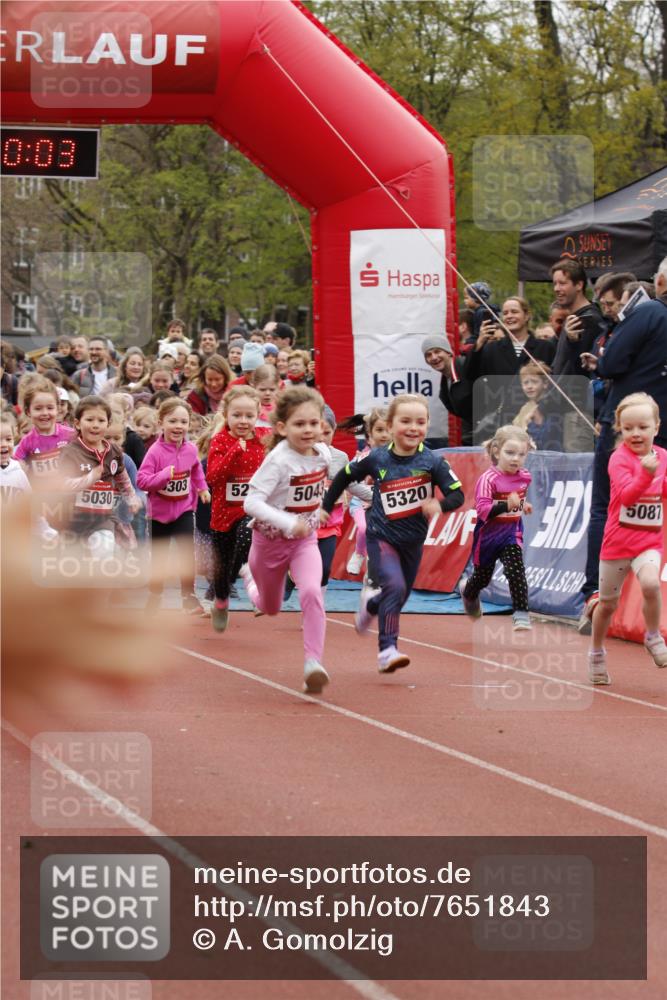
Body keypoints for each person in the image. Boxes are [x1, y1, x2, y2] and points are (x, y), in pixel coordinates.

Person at [322, 393, 464, 673]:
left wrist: (439, 504)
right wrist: (326, 506)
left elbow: (457, 495)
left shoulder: (433, 462)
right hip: (381, 536)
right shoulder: (377, 458)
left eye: (420, 422)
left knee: (398, 595)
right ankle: (387, 649)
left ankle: (370, 606)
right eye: (405, 421)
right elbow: (344, 476)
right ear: (390, 425)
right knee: (395, 587)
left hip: (413, 542)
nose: (413, 428)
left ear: (427, 425)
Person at [577, 258, 667, 633]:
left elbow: (612, 362)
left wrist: (600, 362)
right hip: (661, 427)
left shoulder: (649, 312)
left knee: (605, 505)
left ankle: (595, 594)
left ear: (659, 282)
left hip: (627, 425)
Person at [240, 386, 332, 694]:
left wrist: (319, 510)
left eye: (313, 423)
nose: (308, 430)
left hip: (304, 543)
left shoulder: (323, 454)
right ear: (282, 427)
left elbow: (314, 489)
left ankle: (313, 664)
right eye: (299, 424)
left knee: (312, 592)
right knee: (270, 607)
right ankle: (249, 578)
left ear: (322, 425)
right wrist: (289, 522)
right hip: (269, 544)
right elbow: (251, 503)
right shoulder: (278, 461)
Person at [588, 393, 667, 685]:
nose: (636, 433)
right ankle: (596, 652)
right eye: (628, 427)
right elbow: (627, 497)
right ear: (619, 428)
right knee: (608, 605)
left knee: (651, 584)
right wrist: (646, 474)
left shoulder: (663, 456)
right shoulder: (618, 459)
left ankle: (653, 635)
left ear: (656, 427)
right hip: (617, 544)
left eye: (643, 427)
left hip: (648, 541)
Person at [285, 405, 372, 602]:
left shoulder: (340, 458)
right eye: (317, 432)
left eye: (327, 433)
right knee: (305, 566)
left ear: (334, 431)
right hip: (302, 524)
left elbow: (351, 484)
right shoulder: (294, 456)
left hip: (329, 523)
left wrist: (376, 497)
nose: (322, 438)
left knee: (324, 569)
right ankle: (291, 576)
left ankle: (317, 608)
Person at [137, 398, 210, 613]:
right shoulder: (155, 452)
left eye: (183, 422)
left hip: (184, 511)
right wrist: (163, 476)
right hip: (158, 515)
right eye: (173, 421)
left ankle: (188, 597)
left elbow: (196, 469)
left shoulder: (191, 449)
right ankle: (155, 595)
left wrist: (202, 488)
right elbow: (142, 481)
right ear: (161, 423)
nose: (179, 426)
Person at [459, 425, 533, 630]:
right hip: (488, 537)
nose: (515, 459)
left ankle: (521, 613)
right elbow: (482, 510)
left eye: (521, 454)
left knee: (516, 571)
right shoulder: (488, 479)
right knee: (482, 578)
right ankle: (468, 592)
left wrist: (523, 505)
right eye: (510, 453)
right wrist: (506, 505)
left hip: (511, 534)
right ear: (496, 451)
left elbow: (518, 498)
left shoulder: (525, 476)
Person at [206, 386, 267, 632]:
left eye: (249, 416)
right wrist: (233, 452)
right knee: (222, 571)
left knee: (247, 537)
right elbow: (212, 477)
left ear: (258, 415)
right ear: (226, 415)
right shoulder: (220, 441)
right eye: (237, 415)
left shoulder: (264, 438)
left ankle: (251, 577)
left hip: (250, 509)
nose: (243, 421)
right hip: (223, 515)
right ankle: (221, 603)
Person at [463, 297, 556, 439]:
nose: (509, 316)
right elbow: (470, 375)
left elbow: (555, 384)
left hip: (535, 421)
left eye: (514, 312)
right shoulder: (491, 349)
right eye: (505, 313)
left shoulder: (546, 347)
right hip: (501, 423)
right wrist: (479, 342)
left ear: (527, 315)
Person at [58, 395, 140, 556]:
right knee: (73, 562)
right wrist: (89, 478)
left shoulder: (114, 451)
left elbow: (122, 477)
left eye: (101, 421)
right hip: (74, 520)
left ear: (108, 424)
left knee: (104, 550)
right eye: (89, 420)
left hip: (102, 519)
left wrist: (131, 497)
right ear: (77, 423)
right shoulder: (70, 452)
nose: (95, 425)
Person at [550, 258, 605, 451]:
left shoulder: (590, 320)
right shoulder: (573, 318)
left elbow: (585, 369)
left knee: (578, 464)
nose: (557, 289)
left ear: (579, 285)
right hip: (565, 409)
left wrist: (573, 343)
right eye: (555, 283)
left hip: (580, 412)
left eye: (562, 283)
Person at [343, 407, 390, 576]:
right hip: (360, 503)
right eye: (379, 431)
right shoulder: (362, 457)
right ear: (369, 436)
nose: (384, 435)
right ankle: (359, 554)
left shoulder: (394, 457)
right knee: (364, 528)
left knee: (380, 542)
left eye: (387, 430)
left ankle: (372, 576)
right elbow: (347, 478)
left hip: (383, 503)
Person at [14, 378, 75, 478]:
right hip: (39, 488)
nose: (45, 413)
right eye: (38, 408)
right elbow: (14, 467)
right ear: (28, 411)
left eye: (50, 408)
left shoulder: (71, 435)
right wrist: (19, 468)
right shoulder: (26, 442)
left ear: (58, 409)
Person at [512, 362, 562, 450]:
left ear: (545, 383)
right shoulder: (526, 407)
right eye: (525, 383)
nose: (529, 386)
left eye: (534, 382)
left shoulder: (550, 407)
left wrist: (532, 424)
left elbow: (546, 442)